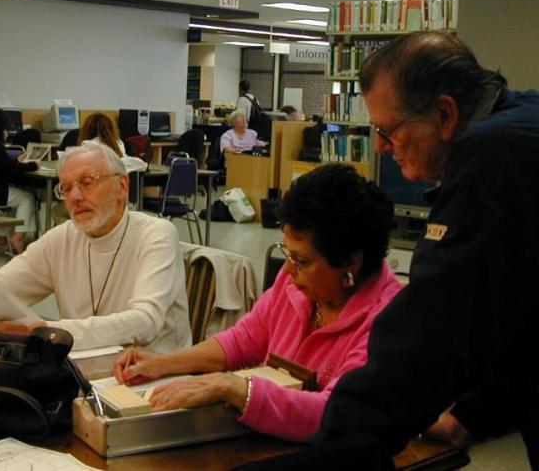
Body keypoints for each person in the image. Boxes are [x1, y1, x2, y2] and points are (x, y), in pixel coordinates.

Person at [314, 31, 539, 468]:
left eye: (387, 130)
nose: (380, 146)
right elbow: (516, 311)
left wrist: (334, 443)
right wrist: (472, 414)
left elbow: (436, 325)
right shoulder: (525, 118)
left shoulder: (494, 155)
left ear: (444, 114)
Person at [114, 164, 401, 442]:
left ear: (350, 262)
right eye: (286, 253)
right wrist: (162, 364)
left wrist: (233, 387)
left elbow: (334, 414)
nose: (287, 271)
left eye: (301, 261)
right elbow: (242, 341)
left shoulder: (387, 322)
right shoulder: (296, 286)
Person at [0, 143, 192, 353]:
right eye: (66, 188)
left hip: (156, 377)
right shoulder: (62, 238)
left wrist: (49, 331)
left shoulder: (156, 234)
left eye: (88, 181)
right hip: (85, 368)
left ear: (122, 186)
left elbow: (145, 322)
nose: (75, 196)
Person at [0, 109, 39, 254]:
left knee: (14, 199)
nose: (7, 133)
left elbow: (2, 166)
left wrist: (16, 161)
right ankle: (18, 237)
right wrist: (33, 165)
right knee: (26, 198)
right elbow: (10, 171)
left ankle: (1, 237)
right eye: (5, 129)